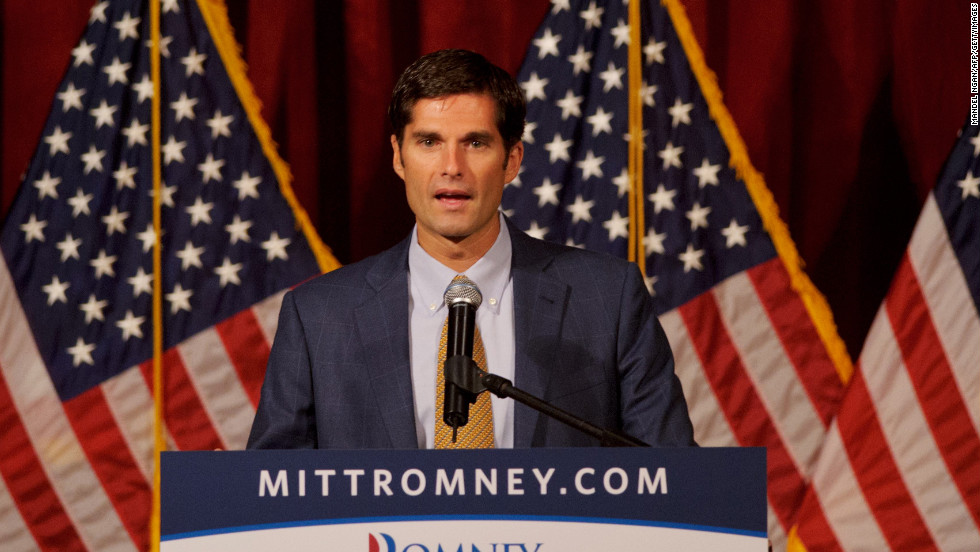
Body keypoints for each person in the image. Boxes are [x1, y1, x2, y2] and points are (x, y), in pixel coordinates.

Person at [247, 49, 695, 449]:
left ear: (512, 160)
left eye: (475, 143)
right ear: (398, 157)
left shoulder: (607, 299)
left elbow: (673, 482)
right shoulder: (318, 317)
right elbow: (273, 499)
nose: (451, 168)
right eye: (429, 143)